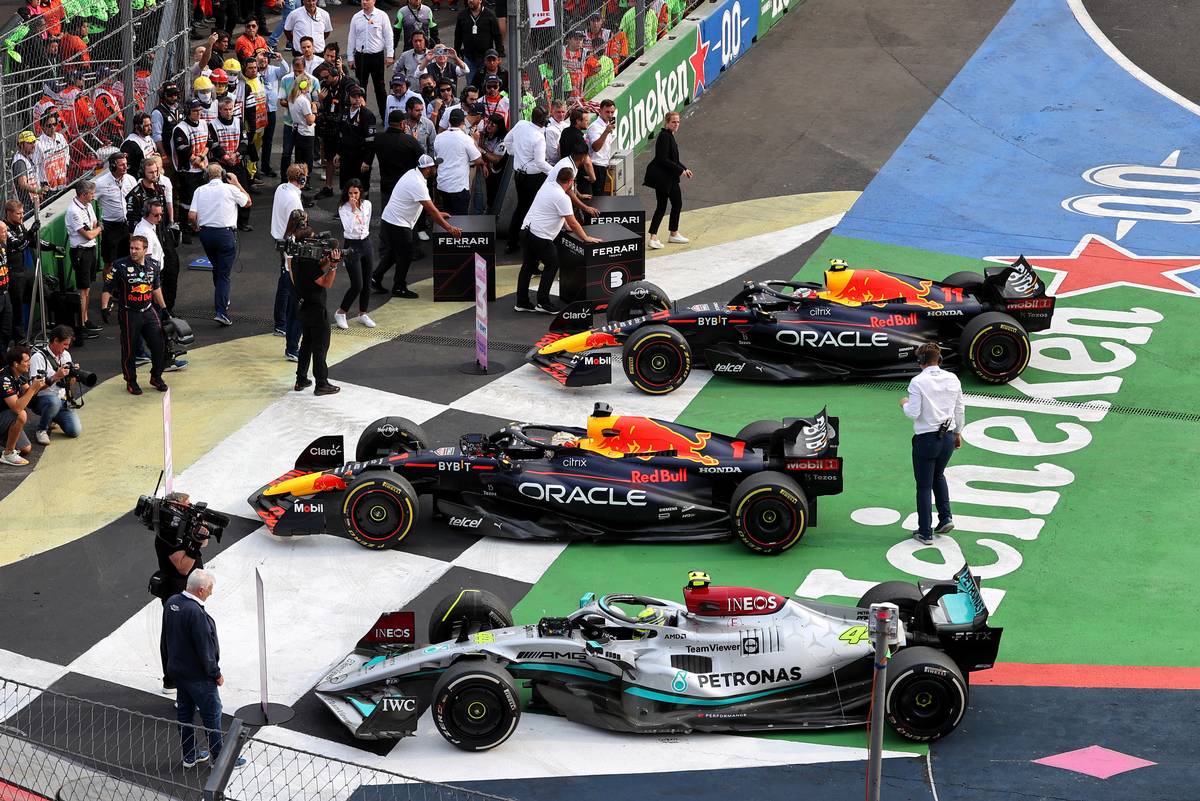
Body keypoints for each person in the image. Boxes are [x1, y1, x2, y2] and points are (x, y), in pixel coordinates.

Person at [164, 570, 244, 769]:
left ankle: (189, 756)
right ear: (200, 590)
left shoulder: (171, 602)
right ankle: (219, 759)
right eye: (209, 589)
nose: (211, 593)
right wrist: (215, 673)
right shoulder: (195, 613)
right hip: (199, 677)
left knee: (185, 714)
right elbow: (205, 648)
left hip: (178, 672)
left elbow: (165, 639)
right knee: (212, 716)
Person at [900, 342, 965, 544]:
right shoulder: (953, 379)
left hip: (926, 440)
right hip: (947, 438)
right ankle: (945, 517)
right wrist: (958, 433)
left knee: (923, 486)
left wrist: (903, 403)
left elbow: (913, 412)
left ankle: (925, 532)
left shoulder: (917, 382)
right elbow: (959, 409)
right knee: (939, 475)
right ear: (940, 359)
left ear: (921, 361)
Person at [373, 154, 462, 297]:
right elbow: (431, 210)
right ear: (427, 169)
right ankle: (399, 287)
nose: (436, 168)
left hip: (391, 220)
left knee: (395, 253)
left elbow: (429, 207)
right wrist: (450, 229)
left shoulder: (413, 173)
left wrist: (438, 213)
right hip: (398, 223)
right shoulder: (418, 184)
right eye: (434, 166)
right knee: (406, 254)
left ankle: (375, 277)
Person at [516, 167, 600, 313]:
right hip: (540, 237)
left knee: (528, 266)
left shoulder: (547, 186)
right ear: (571, 181)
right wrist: (586, 237)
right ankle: (543, 302)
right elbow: (573, 222)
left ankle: (521, 302)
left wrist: (566, 225)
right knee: (552, 264)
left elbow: (560, 215)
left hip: (525, 230)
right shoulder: (563, 198)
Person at [101, 236, 171, 395]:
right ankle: (131, 381)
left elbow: (156, 288)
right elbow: (107, 288)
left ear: (145, 250)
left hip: (148, 310)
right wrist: (104, 308)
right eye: (131, 248)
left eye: (136, 248)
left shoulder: (154, 265)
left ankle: (156, 377)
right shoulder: (119, 266)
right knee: (129, 349)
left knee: (159, 345)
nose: (133, 251)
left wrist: (164, 308)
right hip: (128, 312)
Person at [153, 491, 208, 694]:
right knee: (174, 636)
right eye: (187, 504)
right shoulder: (167, 535)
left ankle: (186, 678)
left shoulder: (183, 527)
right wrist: (194, 543)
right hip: (176, 591)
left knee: (191, 633)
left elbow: (205, 542)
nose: (190, 507)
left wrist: (199, 533)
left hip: (191, 591)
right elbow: (183, 567)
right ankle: (172, 681)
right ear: (176, 507)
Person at [189, 164, 251, 327]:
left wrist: (195, 226)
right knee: (224, 274)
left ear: (206, 176)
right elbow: (247, 202)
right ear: (222, 175)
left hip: (206, 234)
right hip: (225, 235)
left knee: (217, 267)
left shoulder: (199, 190)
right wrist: (237, 183)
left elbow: (191, 215)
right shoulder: (230, 189)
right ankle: (221, 311)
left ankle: (221, 298)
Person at [290, 225, 342, 395]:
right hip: (316, 309)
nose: (317, 243)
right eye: (313, 239)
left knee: (306, 344)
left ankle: (301, 379)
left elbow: (317, 268)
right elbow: (326, 282)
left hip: (304, 306)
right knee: (320, 347)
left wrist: (327, 259)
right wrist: (333, 266)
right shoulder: (307, 263)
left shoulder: (298, 258)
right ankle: (321, 384)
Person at [271, 164, 308, 357]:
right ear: (301, 179)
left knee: (283, 282)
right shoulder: (294, 200)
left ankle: (280, 323)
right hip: (289, 245)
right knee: (289, 287)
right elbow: (298, 227)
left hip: (279, 238)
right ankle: (283, 326)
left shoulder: (281, 188)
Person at [503, 106, 551, 252]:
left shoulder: (521, 124)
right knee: (534, 211)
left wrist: (515, 154)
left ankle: (512, 242)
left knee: (521, 209)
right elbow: (540, 163)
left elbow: (507, 141)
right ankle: (530, 246)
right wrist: (556, 171)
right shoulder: (538, 138)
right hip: (533, 178)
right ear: (544, 121)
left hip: (519, 175)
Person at [644, 110, 693, 249]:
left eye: (678, 122)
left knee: (665, 206)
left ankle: (662, 235)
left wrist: (684, 168)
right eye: (673, 122)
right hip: (665, 178)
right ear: (667, 122)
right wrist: (680, 170)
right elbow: (663, 159)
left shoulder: (669, 135)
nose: (676, 124)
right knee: (672, 204)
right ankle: (669, 234)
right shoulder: (665, 137)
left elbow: (674, 159)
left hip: (667, 177)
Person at [28, 325, 82, 444]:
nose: (67, 348)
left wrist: (73, 376)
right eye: (65, 344)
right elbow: (34, 388)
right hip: (42, 399)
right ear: (55, 340)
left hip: (62, 399)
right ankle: (41, 430)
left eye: (68, 344)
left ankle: (52, 416)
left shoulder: (66, 355)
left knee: (74, 431)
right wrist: (56, 376)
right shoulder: (38, 357)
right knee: (53, 402)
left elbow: (70, 385)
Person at [207, 97, 254, 232]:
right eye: (225, 110)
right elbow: (213, 144)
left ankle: (243, 221)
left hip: (237, 162)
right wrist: (225, 156)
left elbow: (245, 141)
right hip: (221, 165)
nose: (228, 112)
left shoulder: (239, 122)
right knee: (222, 194)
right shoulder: (213, 124)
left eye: (230, 109)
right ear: (220, 110)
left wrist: (236, 154)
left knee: (243, 189)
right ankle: (224, 221)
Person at [336, 180, 376, 329]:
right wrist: (353, 210)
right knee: (357, 284)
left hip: (366, 243)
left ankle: (362, 313)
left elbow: (365, 224)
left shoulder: (367, 205)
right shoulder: (343, 208)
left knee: (367, 283)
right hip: (352, 246)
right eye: (350, 193)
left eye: (356, 193)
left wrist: (358, 211)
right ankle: (341, 312)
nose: (353, 196)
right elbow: (349, 228)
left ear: (361, 193)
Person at [65, 181, 102, 338]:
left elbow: (93, 223)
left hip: (90, 249)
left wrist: (95, 228)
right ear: (83, 195)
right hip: (81, 252)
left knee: (87, 288)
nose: (93, 196)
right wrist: (99, 229)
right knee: (83, 289)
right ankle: (80, 324)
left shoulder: (88, 206)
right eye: (91, 193)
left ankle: (85, 319)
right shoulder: (73, 211)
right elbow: (88, 234)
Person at [171, 101, 212, 229]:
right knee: (187, 202)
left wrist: (202, 157)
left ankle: (200, 224)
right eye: (195, 111)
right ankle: (186, 228)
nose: (198, 113)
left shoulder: (204, 124)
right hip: (187, 171)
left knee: (203, 200)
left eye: (200, 110)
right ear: (188, 112)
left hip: (202, 168)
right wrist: (199, 162)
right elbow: (184, 151)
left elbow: (209, 143)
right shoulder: (180, 128)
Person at [348, 0, 394, 113]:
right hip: (361, 57)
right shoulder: (356, 17)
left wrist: (390, 55)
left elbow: (388, 36)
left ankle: (385, 117)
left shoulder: (382, 16)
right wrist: (350, 58)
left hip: (377, 57)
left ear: (374, 1)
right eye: (362, 0)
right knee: (360, 88)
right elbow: (351, 38)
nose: (364, 2)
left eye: (367, 0)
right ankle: (362, 115)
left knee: (380, 89)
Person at [433, 108, 481, 214]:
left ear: (449, 121)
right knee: (460, 220)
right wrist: (475, 140)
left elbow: (437, 157)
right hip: (459, 187)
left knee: (447, 216)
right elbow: (478, 160)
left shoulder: (439, 138)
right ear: (463, 122)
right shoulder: (466, 139)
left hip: (443, 185)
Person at [95, 153, 137, 272]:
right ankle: (108, 288)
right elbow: (90, 202)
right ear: (113, 166)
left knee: (128, 259)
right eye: (122, 165)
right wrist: (96, 221)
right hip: (111, 227)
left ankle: (123, 286)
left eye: (126, 164)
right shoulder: (101, 183)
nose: (125, 167)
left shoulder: (131, 179)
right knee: (109, 262)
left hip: (128, 225)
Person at [1, 345, 42, 466]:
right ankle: (8, 454)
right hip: (4, 417)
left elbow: (31, 395)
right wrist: (33, 389)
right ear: (16, 364)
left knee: (26, 448)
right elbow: (17, 407)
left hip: (3, 418)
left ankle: (7, 444)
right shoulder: (4, 379)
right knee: (20, 414)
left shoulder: (18, 375)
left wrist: (53, 379)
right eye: (26, 361)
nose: (29, 364)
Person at [336, 86, 378, 194]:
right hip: (346, 157)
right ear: (348, 98)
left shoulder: (368, 115)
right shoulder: (344, 113)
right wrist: (338, 153)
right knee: (346, 186)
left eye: (359, 96)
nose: (357, 99)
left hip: (360, 158)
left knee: (361, 188)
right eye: (354, 96)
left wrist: (367, 161)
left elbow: (371, 140)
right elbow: (341, 135)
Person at [454, 0, 502, 83]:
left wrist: (499, 53)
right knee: (471, 85)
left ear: (480, 0)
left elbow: (497, 35)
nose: (470, 1)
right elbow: (458, 36)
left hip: (486, 58)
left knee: (488, 84)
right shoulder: (462, 15)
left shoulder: (490, 15)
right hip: (469, 58)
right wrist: (456, 53)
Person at [557, 107, 593, 196]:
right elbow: (587, 161)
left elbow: (559, 150)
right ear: (578, 121)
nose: (588, 122)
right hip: (581, 178)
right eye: (585, 120)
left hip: (566, 175)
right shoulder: (579, 138)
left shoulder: (565, 132)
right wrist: (592, 177)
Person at [289, 73, 319, 179]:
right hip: (306, 133)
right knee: (307, 161)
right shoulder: (303, 100)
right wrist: (314, 111)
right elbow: (310, 121)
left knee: (299, 159)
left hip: (296, 131)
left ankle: (299, 179)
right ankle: (305, 181)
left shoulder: (292, 98)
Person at [34, 109, 70, 192]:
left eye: (54, 124)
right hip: (47, 186)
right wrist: (40, 185)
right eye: (49, 125)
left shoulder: (60, 137)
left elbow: (67, 152)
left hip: (62, 181)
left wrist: (66, 166)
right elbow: (35, 166)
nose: (53, 127)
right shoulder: (38, 143)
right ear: (42, 127)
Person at [586, 99, 617, 196]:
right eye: (607, 112)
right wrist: (606, 132)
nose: (610, 115)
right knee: (598, 196)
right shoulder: (595, 127)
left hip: (604, 165)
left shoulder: (608, 125)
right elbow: (596, 148)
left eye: (612, 112)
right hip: (596, 166)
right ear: (600, 111)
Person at [477, 113, 508, 212]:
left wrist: (482, 150)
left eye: (492, 125)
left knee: (492, 194)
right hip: (483, 167)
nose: (489, 126)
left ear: (498, 128)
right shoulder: (484, 134)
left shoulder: (502, 141)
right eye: (488, 123)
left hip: (496, 173)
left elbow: (496, 159)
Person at [11, 131, 44, 212]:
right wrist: (38, 190)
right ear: (21, 145)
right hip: (25, 206)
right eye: (29, 143)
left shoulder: (27, 157)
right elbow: (22, 184)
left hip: (32, 203)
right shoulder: (20, 161)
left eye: (33, 142)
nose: (33, 145)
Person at [121, 113, 158, 178]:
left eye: (150, 125)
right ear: (137, 126)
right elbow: (128, 170)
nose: (150, 128)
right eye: (146, 126)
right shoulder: (130, 144)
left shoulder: (147, 137)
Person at [0, 223, 11, 349]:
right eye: (3, 232)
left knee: (7, 329)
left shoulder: (4, 245)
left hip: (5, 293)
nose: (6, 234)